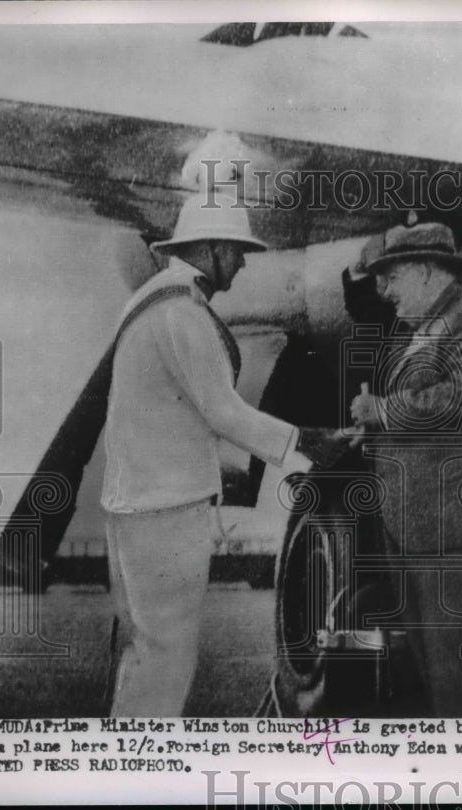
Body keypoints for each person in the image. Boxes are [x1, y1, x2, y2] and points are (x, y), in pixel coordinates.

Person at [101, 192, 347, 716]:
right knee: (168, 659)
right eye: (236, 251)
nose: (242, 263)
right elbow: (225, 414)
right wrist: (309, 443)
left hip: (135, 506)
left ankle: (120, 766)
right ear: (210, 250)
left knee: (144, 656)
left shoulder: (146, 303)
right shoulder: (184, 315)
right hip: (164, 513)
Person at [347, 220, 462, 715]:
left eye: (394, 276)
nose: (385, 291)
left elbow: (457, 399)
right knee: (432, 669)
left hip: (453, 529)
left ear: (429, 271)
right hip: (419, 526)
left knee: (456, 673)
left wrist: (384, 412)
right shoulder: (423, 329)